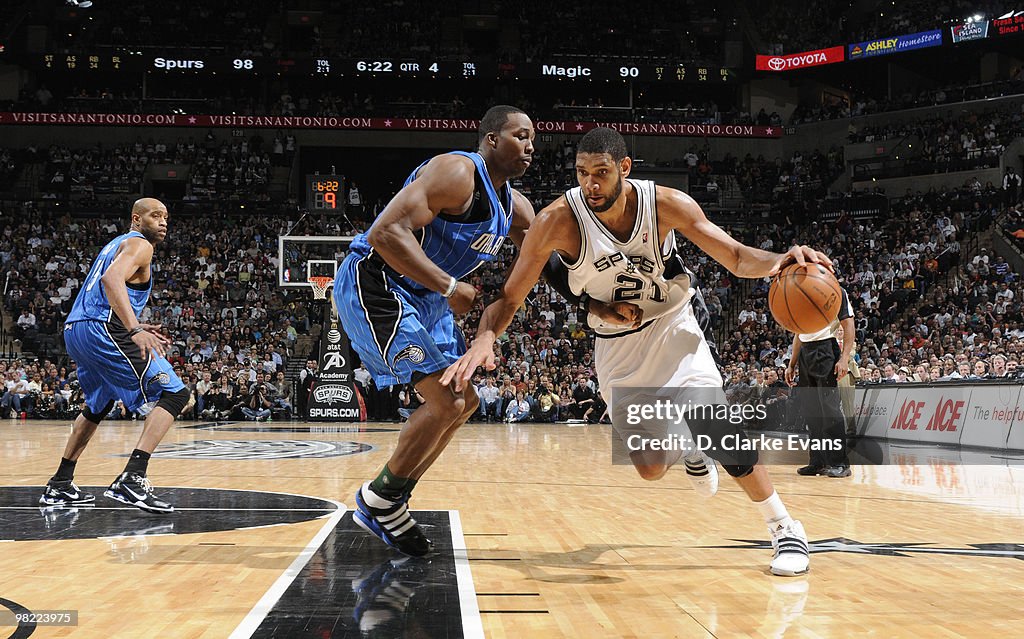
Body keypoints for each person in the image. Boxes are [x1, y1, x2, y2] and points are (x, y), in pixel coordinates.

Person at [443, 127, 827, 576]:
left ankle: (784, 528)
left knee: (717, 425)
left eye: (601, 173)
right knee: (648, 468)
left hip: (672, 327)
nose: (591, 184)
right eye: (582, 173)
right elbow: (510, 297)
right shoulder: (556, 221)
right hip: (616, 349)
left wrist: (780, 259)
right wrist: (487, 334)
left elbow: (737, 258)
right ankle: (691, 450)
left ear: (624, 168)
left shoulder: (665, 204)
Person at [333, 105, 536, 556]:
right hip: (379, 282)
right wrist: (447, 284)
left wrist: (597, 300)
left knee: (465, 403)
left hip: (426, 300)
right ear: (490, 139)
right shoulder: (457, 172)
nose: (529, 146)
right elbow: (385, 231)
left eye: (533, 139)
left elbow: (542, 267)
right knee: (446, 400)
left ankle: (390, 497)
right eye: (520, 136)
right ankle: (380, 499)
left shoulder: (516, 208)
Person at [39, 198, 190, 514]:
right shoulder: (140, 245)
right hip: (102, 329)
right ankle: (132, 478)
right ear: (137, 218)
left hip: (76, 330)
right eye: (155, 215)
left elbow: (104, 286)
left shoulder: (115, 244)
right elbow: (111, 281)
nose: (163, 222)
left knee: (97, 406)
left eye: (166, 216)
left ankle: (60, 484)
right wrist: (134, 329)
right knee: (175, 394)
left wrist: (128, 321)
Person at [786, 285, 855, 477]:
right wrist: (792, 364)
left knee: (830, 410)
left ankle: (840, 463)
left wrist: (844, 358)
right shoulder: (798, 294)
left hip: (825, 349)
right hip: (805, 353)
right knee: (811, 412)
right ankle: (818, 461)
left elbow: (848, 325)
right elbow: (798, 334)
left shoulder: (836, 291)